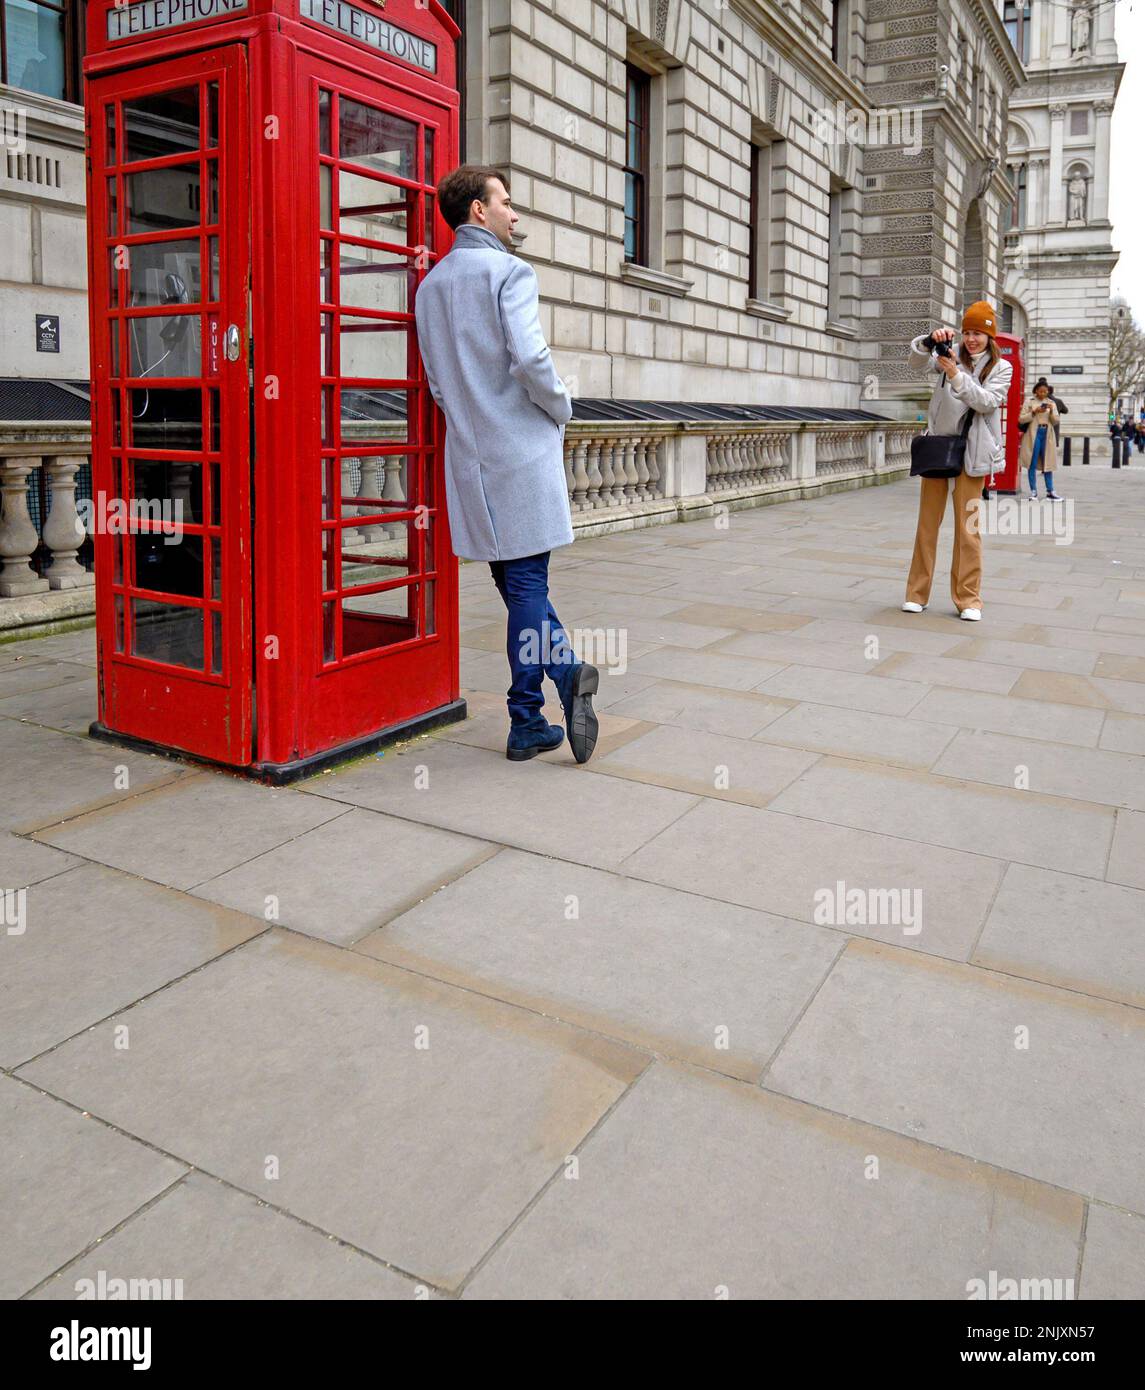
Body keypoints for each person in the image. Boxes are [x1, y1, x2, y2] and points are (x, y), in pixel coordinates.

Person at [413, 165, 599, 764]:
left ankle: (532, 715)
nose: (515, 215)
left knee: (515, 583)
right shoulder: (510, 271)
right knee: (525, 584)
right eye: (507, 203)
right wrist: (561, 407)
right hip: (517, 452)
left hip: (470, 458)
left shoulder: (431, 288)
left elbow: (439, 385)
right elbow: (529, 357)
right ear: (479, 211)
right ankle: (548, 692)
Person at [902, 301, 1012, 622]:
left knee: (968, 530)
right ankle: (915, 594)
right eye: (967, 332)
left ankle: (969, 599)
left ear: (989, 336)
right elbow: (915, 363)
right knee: (927, 525)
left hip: (973, 453)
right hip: (939, 447)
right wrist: (927, 342)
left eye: (978, 332)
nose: (971, 338)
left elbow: (987, 402)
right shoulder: (949, 356)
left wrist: (957, 376)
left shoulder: (1001, 368)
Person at [1018, 379, 1062, 500]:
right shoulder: (1029, 401)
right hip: (1033, 434)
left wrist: (1052, 411)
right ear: (1036, 391)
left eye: (1045, 391)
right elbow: (1021, 419)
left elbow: (1056, 421)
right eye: (1041, 391)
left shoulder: (1051, 403)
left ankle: (1050, 491)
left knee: (1048, 464)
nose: (1043, 394)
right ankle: (1033, 491)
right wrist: (1034, 411)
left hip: (1047, 435)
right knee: (1032, 462)